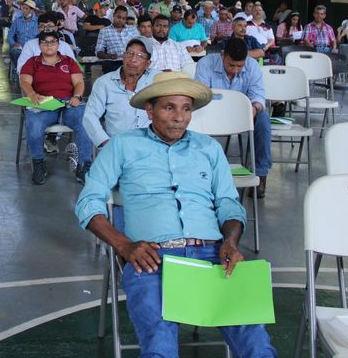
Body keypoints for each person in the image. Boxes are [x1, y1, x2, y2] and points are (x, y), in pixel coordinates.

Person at [74, 71, 277, 358]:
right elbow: (88, 202)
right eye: (169, 108)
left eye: (186, 109)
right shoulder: (123, 145)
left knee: (257, 345)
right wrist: (124, 245)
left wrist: (230, 242)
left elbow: (228, 203)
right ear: (150, 110)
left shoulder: (208, 148)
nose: (179, 117)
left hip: (213, 255)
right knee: (159, 347)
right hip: (153, 259)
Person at [196, 37, 273, 197]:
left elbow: (258, 96)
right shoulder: (205, 64)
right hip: (211, 113)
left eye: (240, 66)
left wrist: (254, 108)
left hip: (242, 114)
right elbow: (201, 97)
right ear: (222, 55)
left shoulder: (252, 66)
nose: (235, 70)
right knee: (194, 118)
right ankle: (201, 173)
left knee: (263, 120)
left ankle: (260, 173)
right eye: (231, 65)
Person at [19, 31, 91, 185]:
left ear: (58, 44)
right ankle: (38, 163)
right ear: (39, 46)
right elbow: (24, 81)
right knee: (34, 125)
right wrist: (32, 94)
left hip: (69, 103)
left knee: (85, 121)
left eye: (52, 42)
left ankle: (84, 165)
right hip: (43, 102)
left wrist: (77, 96)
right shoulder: (32, 62)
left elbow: (79, 82)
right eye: (45, 42)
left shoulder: (69, 61)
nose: (49, 45)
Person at [83, 36, 160, 155]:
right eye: (130, 53)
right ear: (123, 56)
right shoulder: (104, 83)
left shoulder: (157, 79)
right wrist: (105, 143)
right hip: (117, 149)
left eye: (140, 56)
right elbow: (90, 116)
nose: (133, 60)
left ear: (147, 64)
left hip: (150, 149)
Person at [96, 6, 138, 74]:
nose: (120, 20)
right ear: (113, 15)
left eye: (123, 18)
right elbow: (98, 52)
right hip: (114, 62)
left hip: (131, 60)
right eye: (118, 17)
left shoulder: (132, 29)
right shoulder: (104, 31)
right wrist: (109, 56)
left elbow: (139, 46)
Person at [8, 0, 40, 68]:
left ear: (31, 10)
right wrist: (13, 43)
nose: (23, 10)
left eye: (26, 9)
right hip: (21, 47)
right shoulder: (17, 21)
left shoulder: (38, 21)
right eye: (23, 8)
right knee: (14, 52)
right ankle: (19, 69)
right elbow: (10, 35)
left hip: (34, 47)